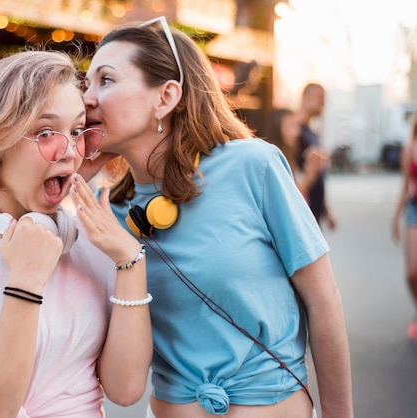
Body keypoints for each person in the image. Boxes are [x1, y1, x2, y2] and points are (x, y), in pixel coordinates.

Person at [80, 16, 353, 418]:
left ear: (165, 97)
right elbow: (121, 383)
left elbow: (324, 300)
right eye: (85, 84)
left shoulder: (252, 166)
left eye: (105, 80)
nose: (87, 98)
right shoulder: (109, 217)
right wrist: (75, 174)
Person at [0, 50, 153, 418]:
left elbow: (125, 389)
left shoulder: (92, 241)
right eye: (45, 132)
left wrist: (129, 262)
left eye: (77, 131)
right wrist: (25, 282)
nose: (70, 152)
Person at [295, 83, 337, 230]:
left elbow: (319, 175)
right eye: (320, 98)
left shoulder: (311, 133)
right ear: (306, 98)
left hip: (315, 214)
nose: (323, 104)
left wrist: (327, 211)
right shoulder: (294, 132)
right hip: (302, 213)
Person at [391, 115, 417, 339]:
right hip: (414, 210)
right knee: (412, 272)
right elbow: (404, 186)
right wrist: (395, 218)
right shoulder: (410, 149)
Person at [269, 108, 327, 199]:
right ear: (277, 128)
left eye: (296, 125)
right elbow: (288, 199)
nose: (296, 132)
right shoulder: (274, 161)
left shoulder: (291, 156)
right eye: (290, 126)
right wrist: (310, 174)